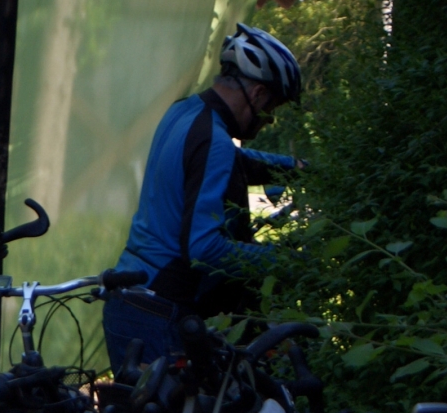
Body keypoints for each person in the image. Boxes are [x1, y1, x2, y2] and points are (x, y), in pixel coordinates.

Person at [104, 23, 303, 375]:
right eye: (273, 107)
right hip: (161, 315)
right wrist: (284, 263)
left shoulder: (184, 112)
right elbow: (204, 248)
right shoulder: (214, 142)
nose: (270, 121)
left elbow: (237, 163)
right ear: (257, 94)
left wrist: (298, 169)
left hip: (128, 299)